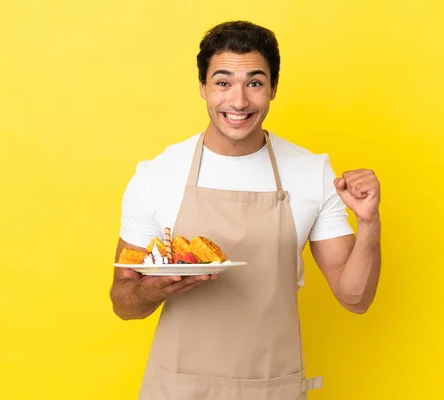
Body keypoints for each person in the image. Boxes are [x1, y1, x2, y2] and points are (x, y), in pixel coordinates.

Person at [110, 20, 381, 400]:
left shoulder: (310, 171)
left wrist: (368, 223)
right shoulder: (156, 175)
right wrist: (153, 289)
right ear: (203, 87)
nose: (238, 102)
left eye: (254, 83)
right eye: (223, 83)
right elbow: (123, 302)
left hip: (271, 387)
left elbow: (356, 298)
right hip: (177, 389)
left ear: (273, 88)